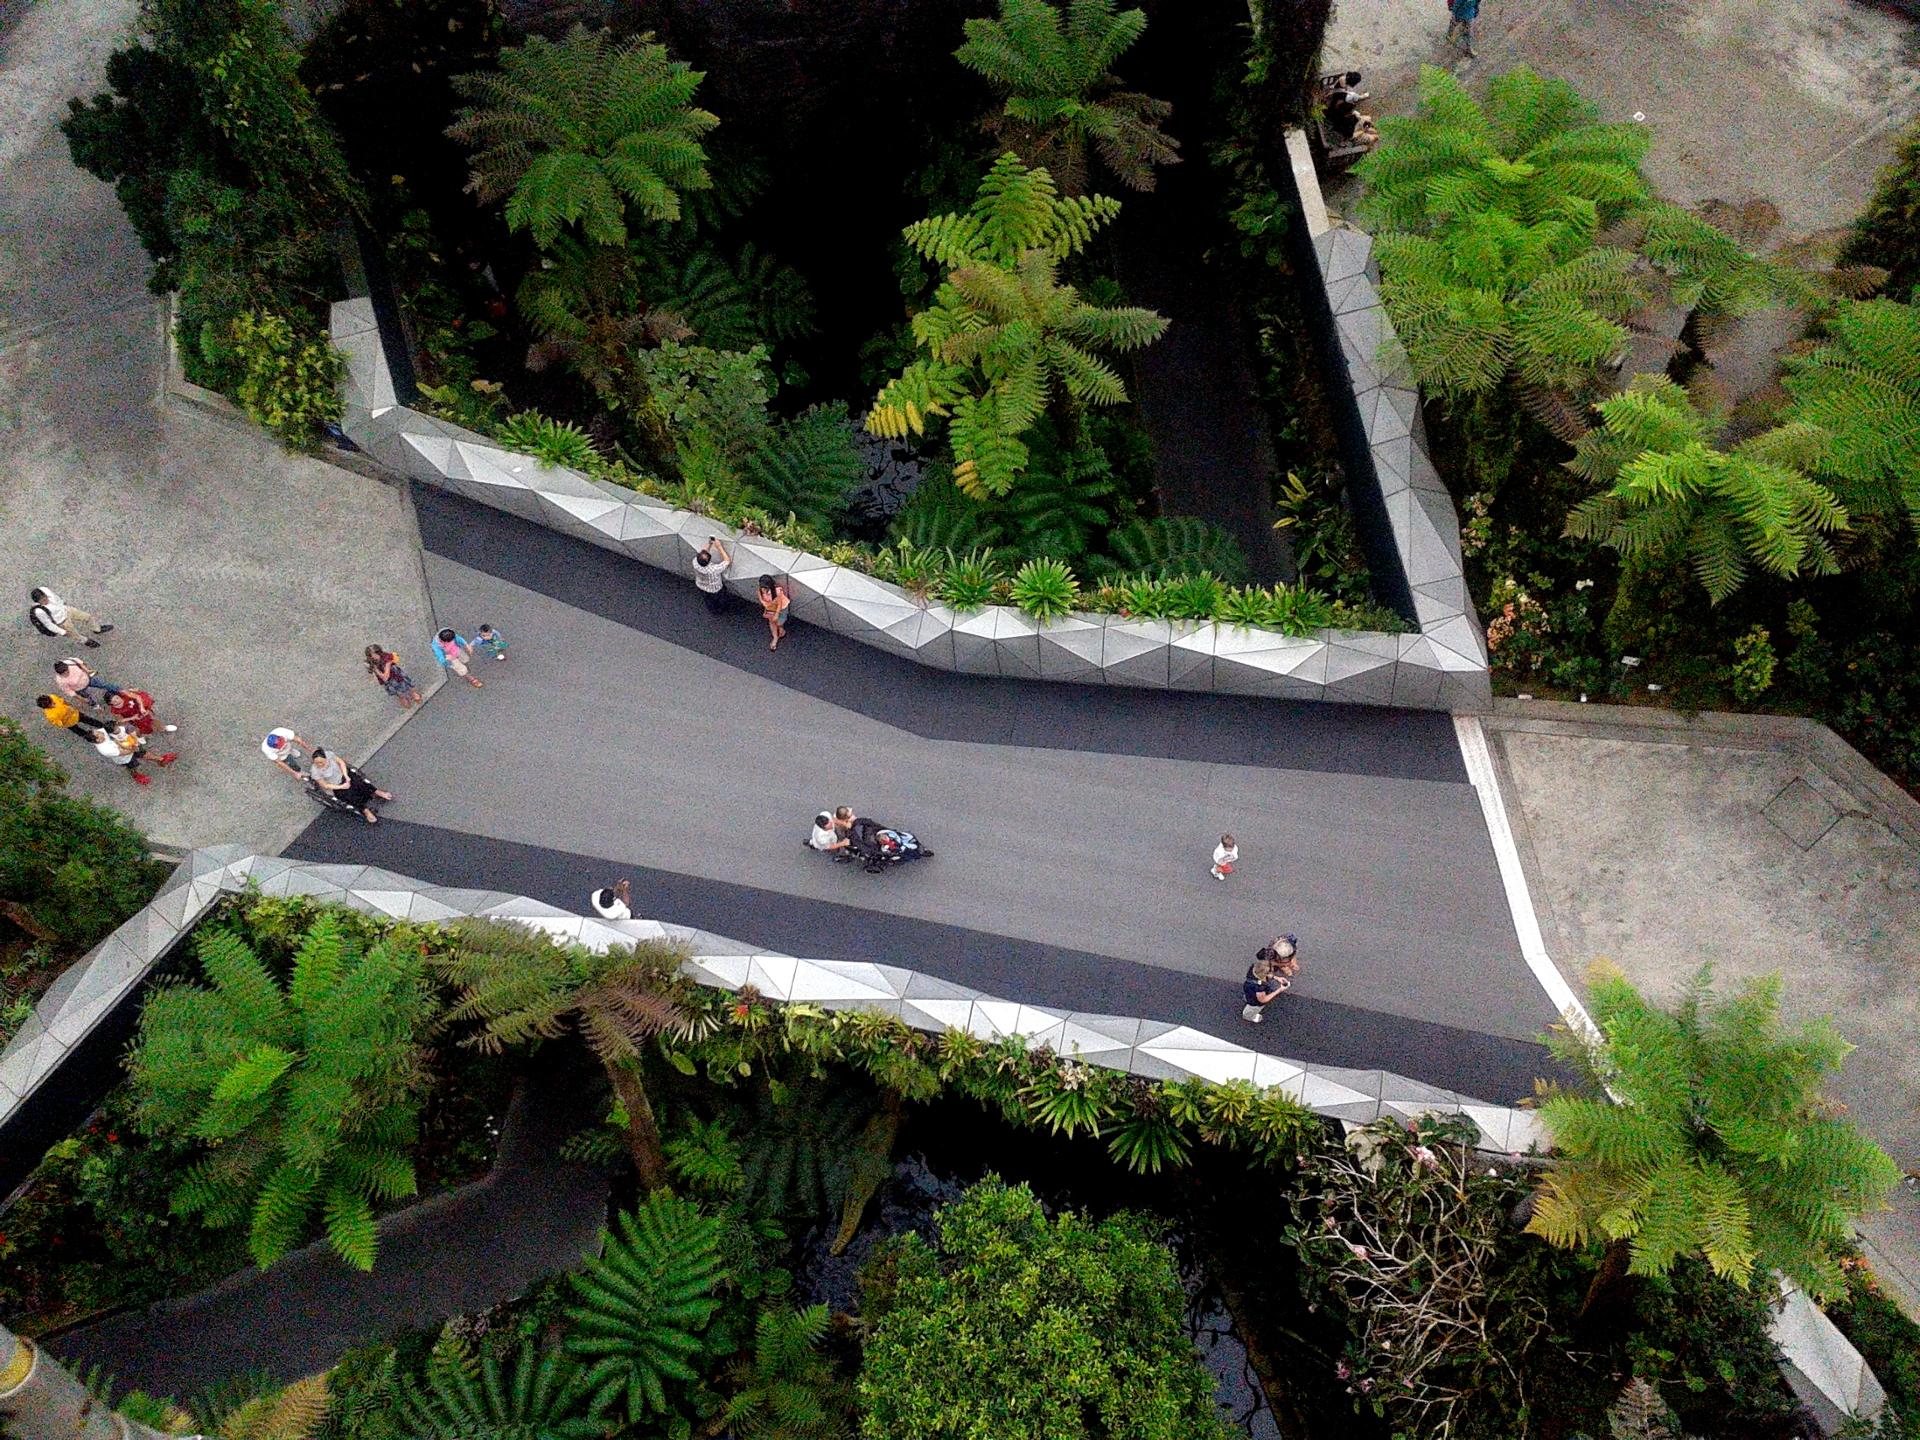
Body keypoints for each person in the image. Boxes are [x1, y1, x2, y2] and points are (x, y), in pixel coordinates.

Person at [308, 746, 391, 823]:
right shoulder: (315, 771)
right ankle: (365, 810)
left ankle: (376, 791)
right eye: (317, 763)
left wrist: (346, 776)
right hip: (336, 785)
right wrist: (341, 786)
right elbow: (325, 785)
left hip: (344, 775)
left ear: (325, 758)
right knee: (349, 796)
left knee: (360, 782)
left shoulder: (329, 755)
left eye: (321, 762)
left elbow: (341, 763)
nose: (319, 764)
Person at [95, 721, 176, 786]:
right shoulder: (108, 742)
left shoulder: (116, 730)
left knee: (144, 753)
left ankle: (160, 759)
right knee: (131, 766)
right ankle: (135, 775)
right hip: (125, 756)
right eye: (98, 734)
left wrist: (135, 740)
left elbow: (131, 731)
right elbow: (121, 749)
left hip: (132, 746)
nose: (99, 732)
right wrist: (133, 747)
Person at [1242, 936, 1301, 1023]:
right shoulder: (1259, 984)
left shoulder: (1265, 963)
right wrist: (1280, 990)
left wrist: (1276, 978)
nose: (1290, 963)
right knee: (1255, 1005)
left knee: (1251, 995)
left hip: (1252, 986)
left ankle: (1247, 998)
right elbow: (1262, 999)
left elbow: (1266, 973)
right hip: (1254, 992)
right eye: (1288, 961)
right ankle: (1249, 1016)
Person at [30, 587, 111, 647]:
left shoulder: (45, 590)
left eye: (45, 598)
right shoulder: (39, 611)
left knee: (87, 617)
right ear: (38, 602)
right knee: (74, 635)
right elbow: (48, 624)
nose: (46, 601)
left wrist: (62, 603)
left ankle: (97, 629)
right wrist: (62, 631)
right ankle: (86, 641)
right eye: (43, 601)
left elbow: (55, 597)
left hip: (66, 610)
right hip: (61, 621)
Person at [366, 644, 423, 708]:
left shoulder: (386, 658)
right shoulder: (375, 661)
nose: (372, 657)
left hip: (396, 677)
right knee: (403, 694)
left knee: (408, 691)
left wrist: (376, 670)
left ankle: (417, 703)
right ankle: (413, 705)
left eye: (371, 655)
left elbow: (385, 677)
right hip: (393, 679)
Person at [107, 687, 178, 736]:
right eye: (114, 701)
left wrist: (141, 707)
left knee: (152, 719)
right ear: (110, 703)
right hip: (134, 719)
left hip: (140, 710)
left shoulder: (126, 696)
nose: (118, 700)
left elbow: (137, 696)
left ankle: (163, 728)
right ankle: (139, 736)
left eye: (117, 697)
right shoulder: (115, 710)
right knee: (139, 729)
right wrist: (132, 718)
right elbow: (121, 720)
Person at [53, 657, 120, 709]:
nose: (68, 673)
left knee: (104, 684)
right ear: (60, 673)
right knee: (88, 698)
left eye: (67, 670)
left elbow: (80, 663)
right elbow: (69, 691)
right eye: (65, 673)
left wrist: (87, 670)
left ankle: (118, 691)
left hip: (88, 678)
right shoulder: (60, 681)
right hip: (80, 689)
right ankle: (95, 706)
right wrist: (81, 699)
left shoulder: (69, 662)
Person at [692, 536, 732, 614]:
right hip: (715, 589)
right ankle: (721, 610)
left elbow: (703, 553)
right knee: (721, 600)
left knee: (708, 600)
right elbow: (727, 561)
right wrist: (719, 547)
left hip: (701, 585)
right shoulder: (713, 569)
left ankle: (712, 610)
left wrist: (709, 544)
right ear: (709, 560)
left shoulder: (695, 562)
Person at [759, 574, 791, 651]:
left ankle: (781, 630)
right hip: (770, 607)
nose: (763, 589)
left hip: (782, 607)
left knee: (779, 622)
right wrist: (764, 603)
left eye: (764, 587)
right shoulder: (761, 590)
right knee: (771, 621)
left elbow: (779, 604)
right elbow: (760, 596)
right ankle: (775, 638)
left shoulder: (777, 591)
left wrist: (776, 614)